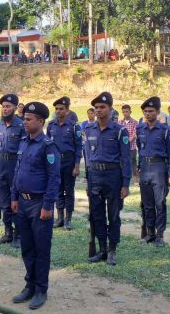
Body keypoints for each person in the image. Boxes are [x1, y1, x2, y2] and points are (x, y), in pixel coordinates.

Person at [10, 102, 60, 309]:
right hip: (22, 202)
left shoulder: (48, 146)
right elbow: (17, 172)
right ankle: (29, 285)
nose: (24, 122)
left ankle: (41, 289)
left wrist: (48, 206)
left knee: (41, 249)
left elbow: (54, 178)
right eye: (24, 119)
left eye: (29, 119)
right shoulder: (23, 142)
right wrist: (14, 196)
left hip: (39, 204)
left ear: (40, 122)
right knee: (27, 247)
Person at [83, 92, 131, 266]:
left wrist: (125, 184)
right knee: (97, 215)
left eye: (102, 107)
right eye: (96, 108)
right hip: (95, 176)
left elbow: (126, 159)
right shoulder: (88, 130)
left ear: (110, 109)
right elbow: (87, 157)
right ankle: (101, 249)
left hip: (113, 177)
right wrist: (88, 181)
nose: (98, 110)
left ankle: (112, 250)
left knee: (113, 215)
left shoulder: (120, 131)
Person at [136, 97, 170, 246]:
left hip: (159, 168)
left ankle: (160, 236)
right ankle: (150, 233)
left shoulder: (166, 131)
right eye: (145, 111)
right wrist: (139, 167)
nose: (148, 114)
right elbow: (140, 148)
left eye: (151, 111)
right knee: (147, 204)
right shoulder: (140, 128)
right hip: (145, 168)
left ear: (158, 112)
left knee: (160, 203)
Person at [0, 94, 26, 247]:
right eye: (3, 106)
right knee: (3, 201)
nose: (5, 109)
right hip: (1, 165)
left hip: (15, 165)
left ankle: (19, 234)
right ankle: (8, 232)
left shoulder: (21, 125)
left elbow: (26, 148)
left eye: (8, 106)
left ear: (15, 107)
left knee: (17, 201)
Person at [47, 97, 82, 230]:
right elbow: (48, 145)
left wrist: (77, 165)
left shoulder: (74, 126)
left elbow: (79, 146)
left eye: (61, 109)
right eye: (56, 109)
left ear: (67, 110)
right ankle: (59, 218)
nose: (58, 111)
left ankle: (68, 219)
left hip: (69, 161)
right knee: (57, 190)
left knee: (69, 191)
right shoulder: (51, 125)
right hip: (55, 162)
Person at [119, 105, 138, 184]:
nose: (125, 113)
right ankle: (122, 179)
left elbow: (134, 135)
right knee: (121, 163)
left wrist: (126, 142)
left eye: (127, 111)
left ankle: (136, 180)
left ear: (130, 112)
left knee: (133, 163)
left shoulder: (135, 122)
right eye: (123, 112)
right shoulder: (120, 122)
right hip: (121, 148)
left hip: (131, 147)